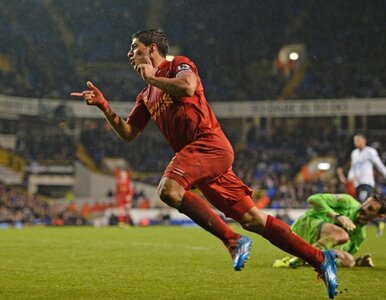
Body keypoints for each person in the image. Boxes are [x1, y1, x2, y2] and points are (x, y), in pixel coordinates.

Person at [71, 29, 338, 299]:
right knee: (252, 219)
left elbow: (187, 87)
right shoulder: (145, 95)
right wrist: (104, 106)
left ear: (152, 48)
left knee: (169, 190)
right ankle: (320, 258)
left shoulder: (179, 64)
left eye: (135, 47)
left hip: (209, 144)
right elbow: (128, 133)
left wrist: (153, 77)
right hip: (199, 158)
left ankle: (232, 241)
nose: (130, 53)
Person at [273, 193, 386, 269]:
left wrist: (351, 259)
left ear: (379, 216)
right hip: (304, 228)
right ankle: (298, 260)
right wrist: (336, 216)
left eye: (370, 209)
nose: (364, 207)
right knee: (341, 234)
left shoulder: (360, 235)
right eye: (366, 203)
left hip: (317, 244)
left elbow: (341, 252)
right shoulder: (347, 201)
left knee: (349, 261)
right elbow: (313, 199)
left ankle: (304, 258)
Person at [337, 133, 386, 236]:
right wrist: (350, 178)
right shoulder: (354, 153)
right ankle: (378, 223)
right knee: (363, 207)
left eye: (358, 140)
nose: (356, 143)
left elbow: (378, 164)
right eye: (355, 141)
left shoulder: (370, 152)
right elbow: (353, 168)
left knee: (361, 206)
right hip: (358, 184)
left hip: (367, 183)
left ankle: (354, 229)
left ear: (364, 140)